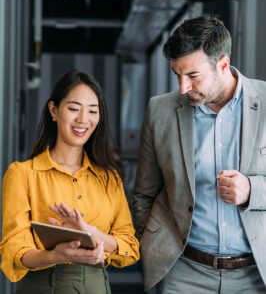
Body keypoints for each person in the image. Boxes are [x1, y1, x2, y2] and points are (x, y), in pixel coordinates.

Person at [133, 15, 266, 293]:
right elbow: (144, 193)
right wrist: (152, 243)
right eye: (177, 75)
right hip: (183, 272)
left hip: (256, 274)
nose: (183, 88)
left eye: (193, 76)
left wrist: (252, 189)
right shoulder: (160, 111)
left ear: (223, 64)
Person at [0, 70, 140, 294]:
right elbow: (14, 251)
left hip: (96, 285)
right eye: (73, 109)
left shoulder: (109, 178)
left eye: (93, 111)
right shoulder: (22, 174)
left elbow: (130, 248)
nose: (83, 120)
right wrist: (56, 255)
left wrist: (93, 234)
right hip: (42, 285)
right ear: (54, 110)